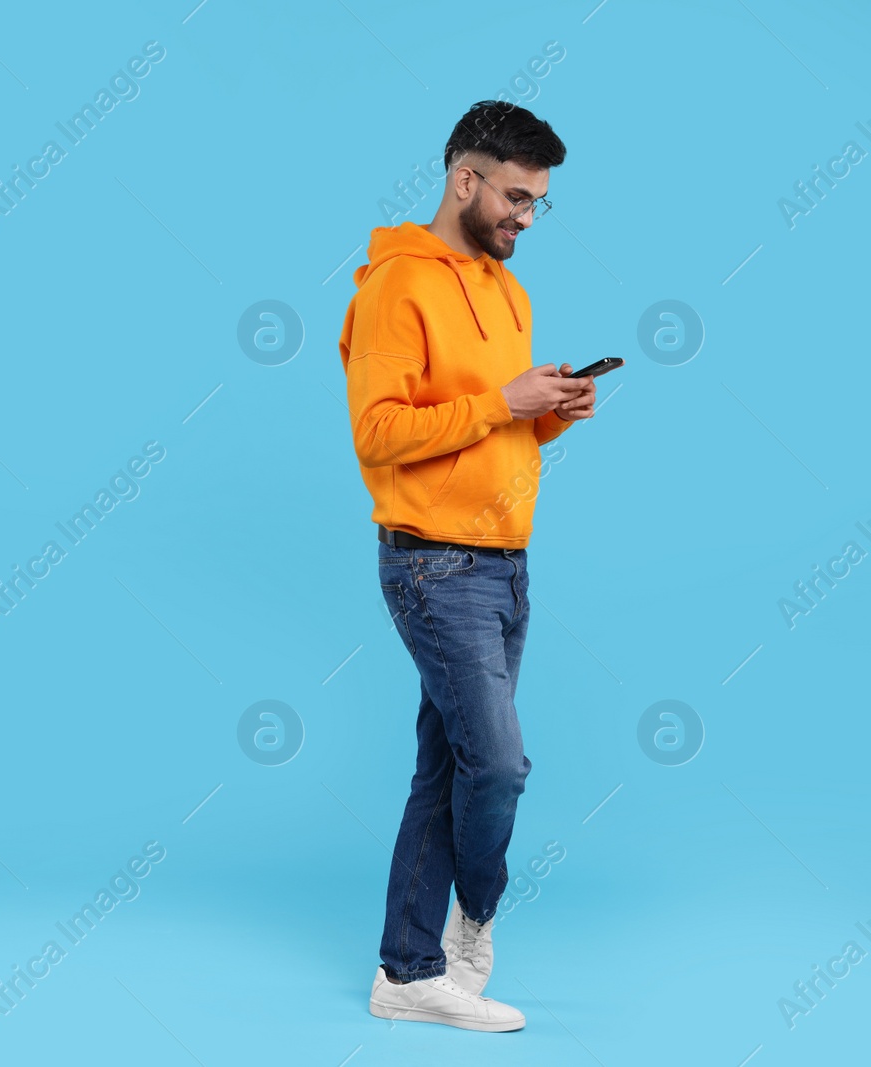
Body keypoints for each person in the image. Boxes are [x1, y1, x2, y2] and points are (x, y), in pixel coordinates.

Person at [337, 100, 599, 1032]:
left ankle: (407, 972)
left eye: (539, 204)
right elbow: (380, 432)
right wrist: (502, 401)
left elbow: (485, 424)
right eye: (518, 197)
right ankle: (467, 927)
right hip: (433, 564)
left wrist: (544, 412)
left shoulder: (506, 288)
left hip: (505, 564)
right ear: (465, 179)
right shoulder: (394, 287)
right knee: (497, 765)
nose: (527, 217)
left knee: (447, 767)